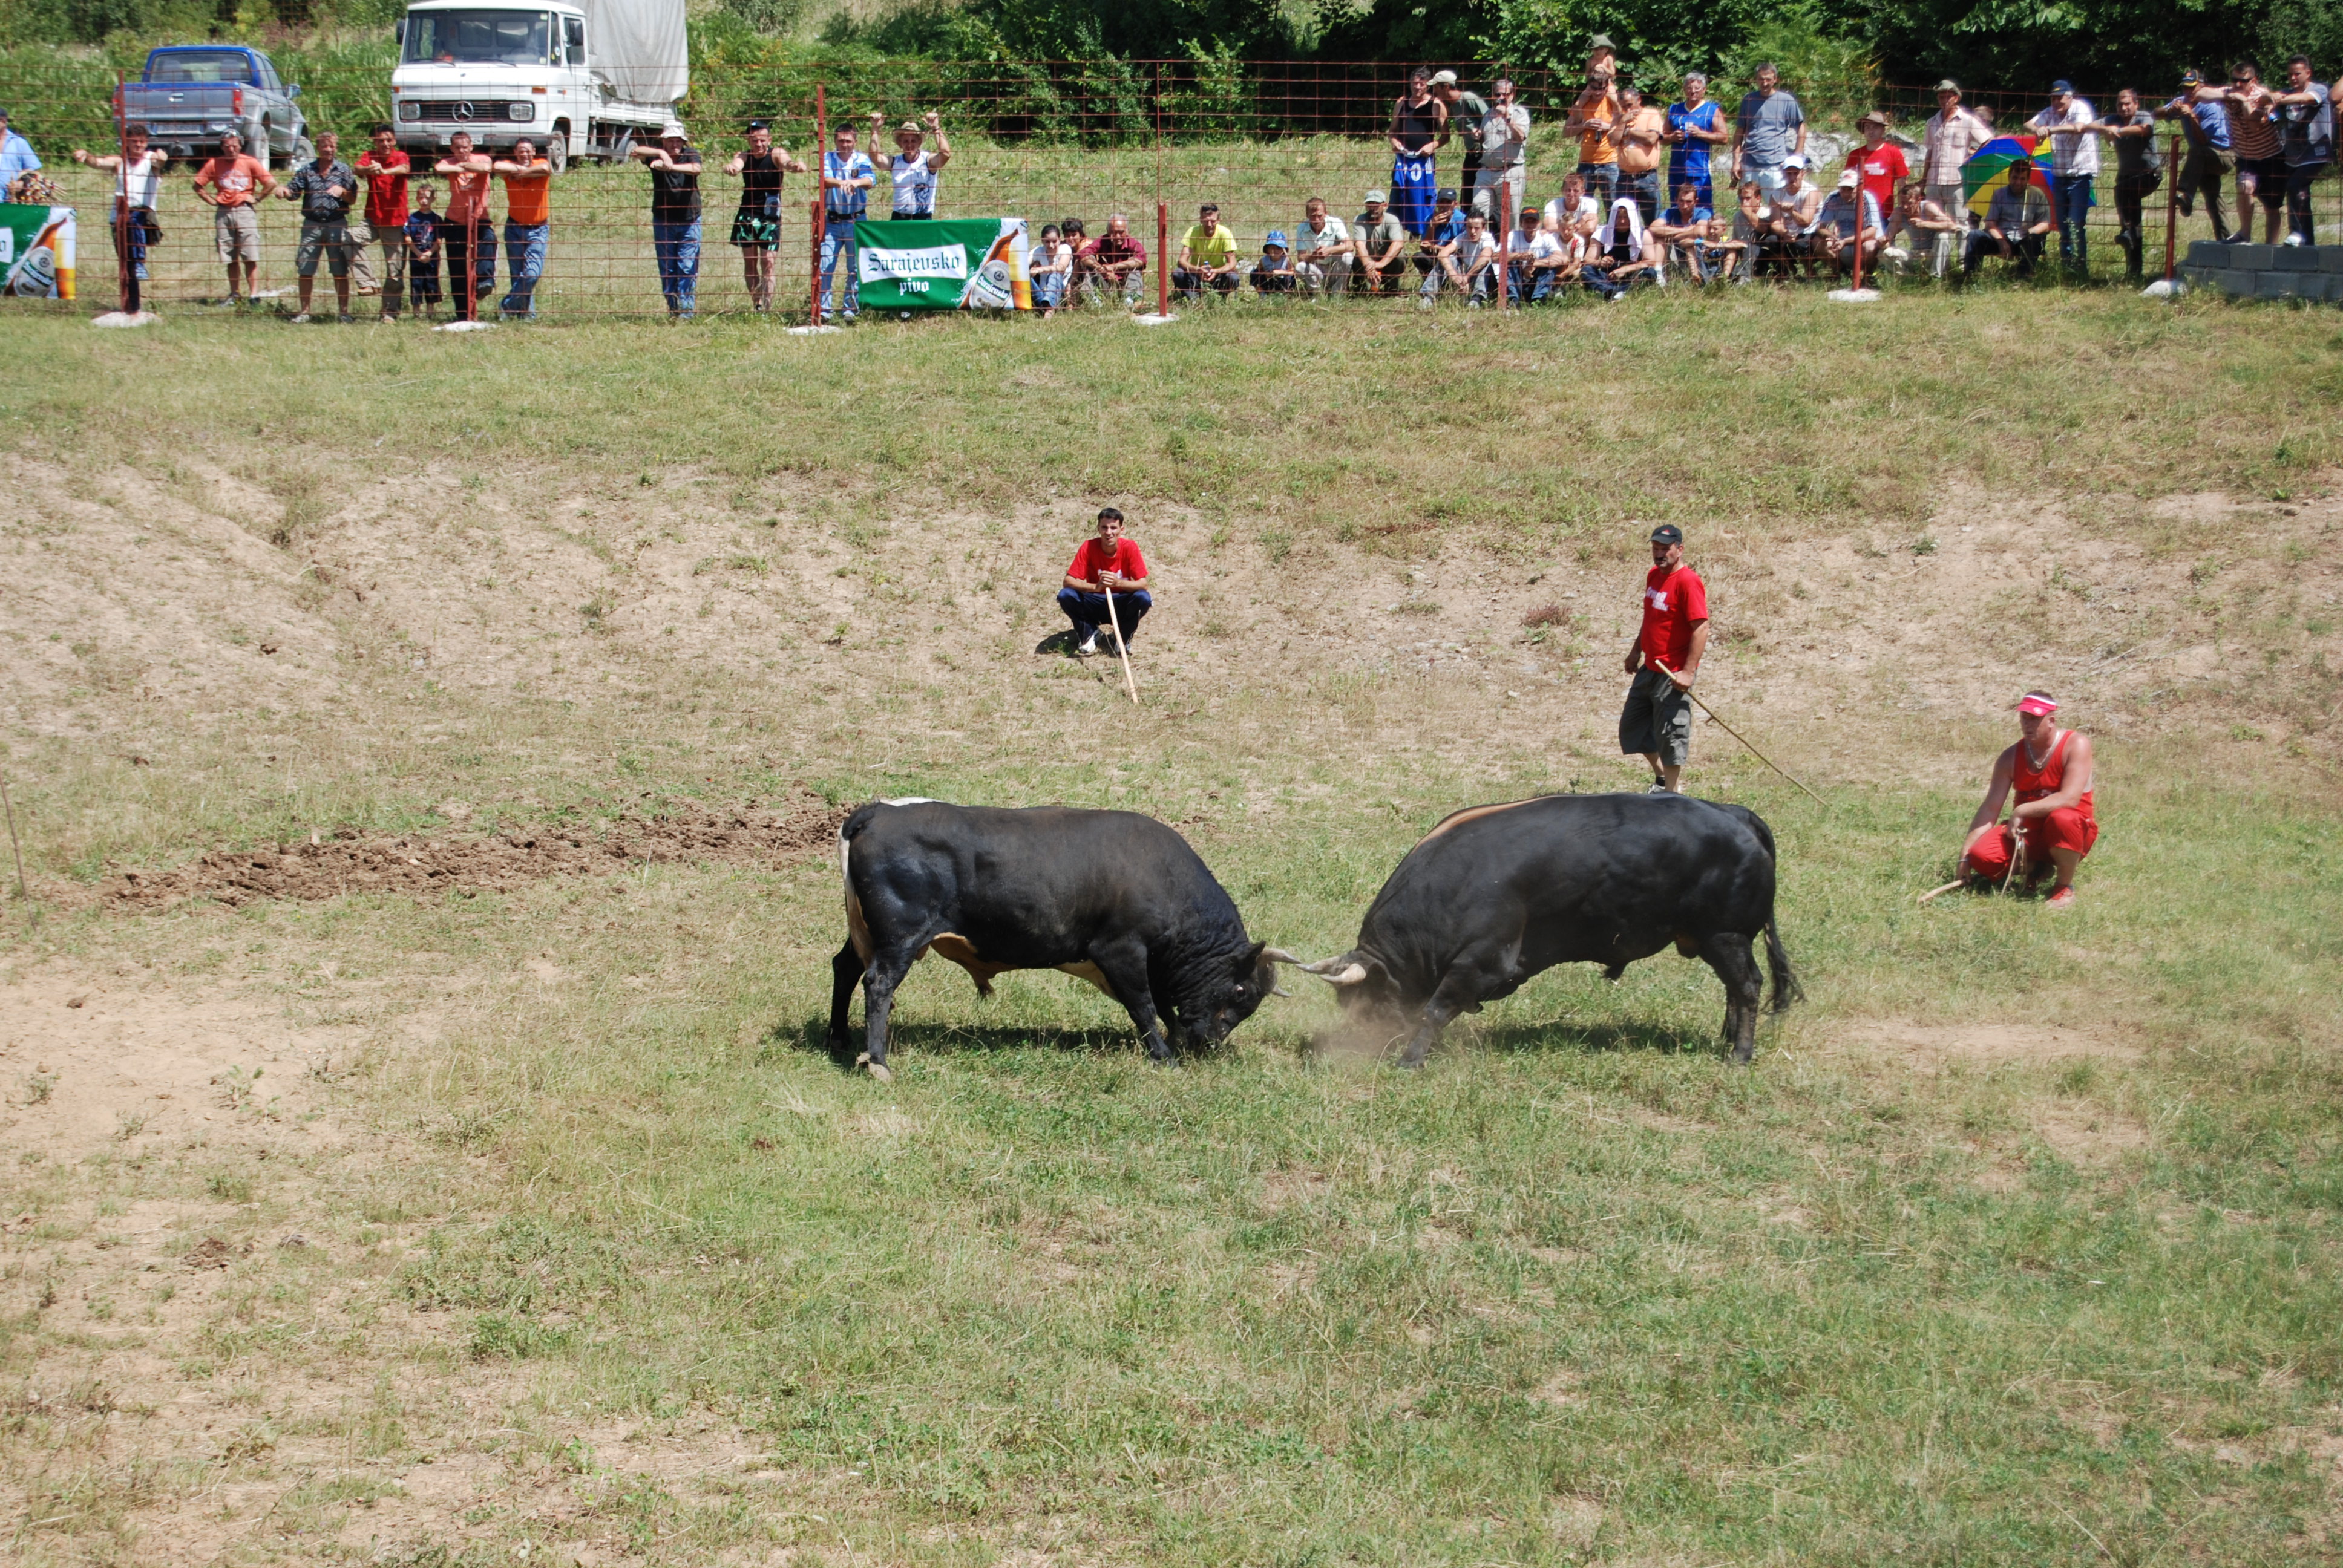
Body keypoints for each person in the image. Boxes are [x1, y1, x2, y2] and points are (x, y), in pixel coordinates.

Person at [1959, 691, 2096, 908]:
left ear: (2051, 721)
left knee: (2063, 819)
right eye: (2024, 718)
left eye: (2035, 719)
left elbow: (2070, 799)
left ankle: (2064, 888)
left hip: (2071, 832)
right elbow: (1990, 808)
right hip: (2028, 835)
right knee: (1982, 857)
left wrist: (2021, 811)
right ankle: (2035, 868)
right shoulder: (2010, 757)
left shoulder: (2076, 745)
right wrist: (1965, 856)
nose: (2027, 724)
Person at [1619, 523, 1706, 792]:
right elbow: (1651, 618)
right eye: (1655, 548)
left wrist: (1688, 672)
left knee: (1671, 735)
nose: (1659, 554)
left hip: (1673, 673)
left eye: (1665, 549)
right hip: (1651, 667)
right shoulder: (1654, 576)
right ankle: (1662, 780)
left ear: (1679, 550)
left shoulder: (1688, 582)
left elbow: (1701, 627)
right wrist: (1636, 651)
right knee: (1633, 728)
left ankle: (1672, 795)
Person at [71, 126, 166, 315]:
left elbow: (161, 161)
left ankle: (140, 263)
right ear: (127, 143)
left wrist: (161, 155)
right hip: (119, 217)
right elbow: (98, 163)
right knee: (126, 263)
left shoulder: (150, 160)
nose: (138, 145)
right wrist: (86, 156)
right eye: (134, 141)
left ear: (146, 143)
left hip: (143, 216)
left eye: (142, 141)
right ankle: (132, 306)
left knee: (133, 236)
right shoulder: (120, 162)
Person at [277, 130, 358, 322]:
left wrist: (343, 192)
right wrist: (284, 191)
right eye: (325, 146)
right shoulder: (307, 170)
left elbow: (353, 199)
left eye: (332, 146)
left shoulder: (344, 170)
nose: (329, 150)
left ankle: (344, 313)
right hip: (311, 225)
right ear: (318, 147)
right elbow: (294, 192)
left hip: (337, 224)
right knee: (306, 268)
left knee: (339, 270)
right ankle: (304, 312)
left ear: (336, 147)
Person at [726, 120, 805, 313]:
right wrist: (731, 168)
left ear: (769, 140)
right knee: (750, 261)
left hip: (770, 217)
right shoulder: (744, 155)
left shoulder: (776, 153)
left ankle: (768, 307)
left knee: (768, 262)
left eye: (762, 140)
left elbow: (787, 163)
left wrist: (795, 166)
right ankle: (757, 305)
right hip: (747, 215)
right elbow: (737, 164)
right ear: (749, 140)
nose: (758, 144)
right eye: (754, 140)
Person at [191, 127, 275, 307]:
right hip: (224, 212)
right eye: (228, 146)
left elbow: (271, 183)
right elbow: (198, 185)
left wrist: (258, 198)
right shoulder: (214, 163)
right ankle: (235, 293)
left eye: (235, 146)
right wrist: (211, 200)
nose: (232, 149)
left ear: (240, 146)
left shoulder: (250, 162)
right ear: (222, 147)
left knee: (250, 254)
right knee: (230, 255)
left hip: (245, 210)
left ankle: (254, 295)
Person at [631, 122, 701, 319]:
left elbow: (696, 169)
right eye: (670, 140)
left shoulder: (691, 154)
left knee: (687, 266)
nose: (675, 144)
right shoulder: (657, 155)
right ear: (664, 141)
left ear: (683, 141)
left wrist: (670, 166)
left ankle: (687, 313)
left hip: (690, 220)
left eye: (678, 140)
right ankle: (673, 309)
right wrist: (662, 155)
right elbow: (635, 151)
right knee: (668, 268)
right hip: (663, 220)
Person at [1058, 507, 1150, 658]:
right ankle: (1089, 632)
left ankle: (1123, 635)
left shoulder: (1130, 547)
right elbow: (1068, 581)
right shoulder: (1088, 547)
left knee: (1143, 598)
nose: (1109, 532)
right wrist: (1096, 587)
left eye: (1113, 528)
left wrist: (1117, 583)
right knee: (1066, 595)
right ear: (1099, 529)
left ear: (1121, 530)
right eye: (1104, 527)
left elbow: (1143, 584)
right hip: (1094, 602)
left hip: (1121, 603)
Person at [2091, 88, 2163, 276]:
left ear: (2136, 104)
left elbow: (2144, 130)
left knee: (2122, 191)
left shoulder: (2143, 116)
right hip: (2128, 179)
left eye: (2127, 104)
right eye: (2120, 104)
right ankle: (2134, 268)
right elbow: (2090, 126)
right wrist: (2105, 130)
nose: (2123, 108)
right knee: (2134, 220)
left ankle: (2127, 231)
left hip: (2149, 174)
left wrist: (2119, 131)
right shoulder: (2112, 119)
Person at [2158, 70, 2233, 243]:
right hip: (2202, 160)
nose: (2188, 92)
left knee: (2197, 152)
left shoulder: (2210, 106)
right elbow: (2156, 114)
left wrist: (2191, 116)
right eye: (2185, 88)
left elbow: (2203, 141)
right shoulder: (2182, 101)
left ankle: (2185, 194)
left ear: (2202, 87)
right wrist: (2168, 109)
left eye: (2192, 88)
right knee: (2214, 202)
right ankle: (2227, 241)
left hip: (2222, 155)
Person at [2028, 82, 2099, 269]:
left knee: (2076, 223)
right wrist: (2038, 130)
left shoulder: (2081, 108)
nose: (2056, 102)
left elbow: (2078, 128)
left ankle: (2080, 265)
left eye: (2060, 98)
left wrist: (2049, 130)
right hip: (2059, 176)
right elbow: (2028, 123)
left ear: (2071, 97)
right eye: (2053, 98)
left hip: (2080, 175)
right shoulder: (2050, 111)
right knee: (2062, 225)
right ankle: (2067, 265)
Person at [1919, 82, 1991, 262]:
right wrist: (1923, 178)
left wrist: (1972, 158)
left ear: (1956, 98)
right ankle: (1936, 262)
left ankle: (1963, 263)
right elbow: (1929, 151)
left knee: (1961, 223)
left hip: (1957, 180)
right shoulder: (1932, 122)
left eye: (1948, 96)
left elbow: (1988, 140)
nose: (1944, 100)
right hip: (1934, 181)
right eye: (1941, 96)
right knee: (1936, 224)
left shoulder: (1967, 120)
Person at [2269, 56, 2334, 244]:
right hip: (2292, 155)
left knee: (2295, 186)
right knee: (2300, 195)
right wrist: (2269, 105)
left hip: (2316, 152)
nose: (2293, 78)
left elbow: (2307, 98)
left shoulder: (2319, 89)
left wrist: (2279, 99)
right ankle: (2308, 243)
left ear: (2308, 73)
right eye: (2290, 74)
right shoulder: (2285, 93)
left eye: (2297, 74)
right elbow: (2271, 111)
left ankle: (2297, 232)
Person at [2218, 63, 2284, 244]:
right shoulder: (2230, 91)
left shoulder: (2260, 96)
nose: (2238, 84)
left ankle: (2270, 246)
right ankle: (2244, 234)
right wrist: (2230, 94)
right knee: (2245, 188)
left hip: (2272, 156)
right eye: (2234, 80)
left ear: (2253, 81)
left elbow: (2254, 124)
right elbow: (2202, 93)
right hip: (2246, 157)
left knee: (2272, 207)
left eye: (2243, 81)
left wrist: (2243, 100)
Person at [816, 121, 874, 322]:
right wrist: (843, 183)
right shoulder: (827, 158)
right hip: (832, 221)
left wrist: (855, 182)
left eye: (849, 141)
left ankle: (850, 309)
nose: (845, 145)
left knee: (855, 267)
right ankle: (824, 310)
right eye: (841, 141)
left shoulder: (862, 159)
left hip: (856, 221)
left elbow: (870, 181)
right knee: (825, 265)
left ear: (855, 141)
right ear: (835, 141)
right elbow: (824, 179)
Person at [434, 131, 494, 321]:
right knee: (457, 267)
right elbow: (439, 168)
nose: (462, 151)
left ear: (471, 146)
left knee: (489, 240)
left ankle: (484, 282)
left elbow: (486, 168)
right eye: (457, 148)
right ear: (452, 148)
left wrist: (463, 165)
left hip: (479, 216)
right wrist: (460, 166)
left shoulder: (481, 158)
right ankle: (462, 314)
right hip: (455, 220)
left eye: (465, 147)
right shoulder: (448, 162)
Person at [352, 124, 411, 320]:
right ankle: (368, 283)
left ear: (394, 141)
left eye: (388, 140)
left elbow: (404, 168)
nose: (385, 144)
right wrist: (369, 168)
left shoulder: (401, 156)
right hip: (373, 219)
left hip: (395, 221)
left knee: (395, 272)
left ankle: (389, 312)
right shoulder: (369, 156)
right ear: (374, 142)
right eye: (380, 140)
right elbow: (357, 169)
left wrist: (384, 172)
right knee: (348, 239)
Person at [1962, 158, 2053, 279]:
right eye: (2015, 178)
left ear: (2028, 180)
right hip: (2001, 238)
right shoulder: (1999, 194)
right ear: (2009, 177)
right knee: (1974, 235)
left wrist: (2031, 231)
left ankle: (2023, 277)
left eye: (2022, 179)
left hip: (2025, 239)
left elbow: (2045, 224)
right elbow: (1990, 223)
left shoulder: (2037, 194)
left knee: (2034, 240)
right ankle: (1970, 276)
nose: (2018, 182)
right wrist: (2001, 241)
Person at [492, 138, 552, 319]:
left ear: (533, 152)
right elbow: (496, 167)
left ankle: (507, 305)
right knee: (517, 274)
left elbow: (546, 169)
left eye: (527, 151)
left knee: (532, 274)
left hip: (538, 228)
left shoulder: (540, 163)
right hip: (514, 226)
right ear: (515, 153)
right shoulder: (509, 166)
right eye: (520, 151)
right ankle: (526, 315)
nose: (524, 154)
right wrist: (521, 170)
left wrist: (523, 173)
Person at [1733, 63, 1806, 200]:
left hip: (1774, 165)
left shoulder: (1786, 100)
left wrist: (1797, 155)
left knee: (1775, 207)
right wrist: (1736, 161)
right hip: (1749, 163)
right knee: (1747, 205)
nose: (1764, 83)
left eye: (1768, 79)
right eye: (1761, 79)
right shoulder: (1748, 100)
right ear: (1756, 79)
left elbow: (1801, 128)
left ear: (1776, 80)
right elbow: (1739, 133)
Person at [1388, 68, 1447, 237]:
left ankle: (1422, 233)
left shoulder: (1436, 105)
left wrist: (1433, 146)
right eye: (1414, 83)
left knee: (1423, 197)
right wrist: (1394, 141)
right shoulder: (1402, 103)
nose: (1418, 87)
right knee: (1398, 194)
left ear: (1428, 85)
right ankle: (1395, 234)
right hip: (1403, 159)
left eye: (1422, 84)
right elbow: (1392, 131)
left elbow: (1446, 136)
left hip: (1424, 161)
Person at [1665, 73, 1729, 211]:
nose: (1693, 91)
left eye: (1697, 88)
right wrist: (1673, 137)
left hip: (1699, 170)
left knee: (1702, 209)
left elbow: (1724, 138)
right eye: (1689, 88)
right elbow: (1662, 138)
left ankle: (1700, 232)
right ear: (1684, 89)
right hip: (1677, 170)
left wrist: (1701, 134)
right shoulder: (1674, 109)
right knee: (1678, 208)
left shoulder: (1712, 110)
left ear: (1704, 90)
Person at [873, 109, 951, 220]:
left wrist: (935, 128)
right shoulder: (895, 162)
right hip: (899, 218)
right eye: (906, 141)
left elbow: (946, 154)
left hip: (922, 219)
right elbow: (875, 157)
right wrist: (875, 129)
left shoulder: (928, 161)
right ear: (900, 144)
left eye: (913, 141)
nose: (910, 145)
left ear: (919, 142)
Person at [1429, 71, 1490, 210]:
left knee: (1482, 196)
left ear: (1446, 87)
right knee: (1467, 196)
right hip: (1471, 154)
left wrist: (1481, 132)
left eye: (1436, 87)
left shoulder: (1468, 98)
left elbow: (1490, 118)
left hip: (1484, 156)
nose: (1434, 91)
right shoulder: (1453, 106)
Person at [1473, 77, 1530, 224]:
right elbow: (1486, 140)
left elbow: (1521, 136)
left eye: (1505, 94)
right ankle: (1483, 245)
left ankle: (1510, 247)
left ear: (1512, 94)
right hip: (1486, 173)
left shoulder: (1520, 113)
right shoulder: (1488, 115)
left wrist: (1508, 118)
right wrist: (1478, 136)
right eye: (1497, 95)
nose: (1501, 98)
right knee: (1477, 214)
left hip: (1509, 172)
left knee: (1511, 219)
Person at [1564, 63, 1620, 209]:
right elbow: (1566, 132)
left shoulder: (1612, 103)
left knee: (1613, 206)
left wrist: (1607, 127)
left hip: (1610, 163)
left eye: (1602, 89)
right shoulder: (1582, 105)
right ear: (1589, 87)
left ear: (1607, 87)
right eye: (1595, 88)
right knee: (1582, 205)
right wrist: (1585, 125)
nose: (1598, 93)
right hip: (1586, 163)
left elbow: (1625, 126)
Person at [1809, 169, 1884, 276]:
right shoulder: (1834, 198)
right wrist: (1831, 236)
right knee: (1817, 242)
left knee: (1870, 246)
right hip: (1841, 244)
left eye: (1850, 189)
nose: (1846, 193)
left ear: (1859, 188)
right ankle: (1841, 272)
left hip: (1863, 245)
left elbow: (1872, 232)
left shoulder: (1867, 199)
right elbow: (1821, 227)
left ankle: (1868, 276)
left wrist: (1845, 241)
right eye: (1843, 189)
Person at [1613, 84, 1667, 224]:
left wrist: (1628, 132)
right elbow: (1613, 141)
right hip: (1625, 177)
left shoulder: (1652, 115)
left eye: (1630, 105)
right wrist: (1623, 122)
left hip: (1647, 177)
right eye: (1624, 107)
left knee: (1653, 222)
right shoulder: (1619, 119)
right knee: (1623, 223)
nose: (1628, 110)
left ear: (1639, 100)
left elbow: (1651, 139)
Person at [1883, 181, 1962, 275]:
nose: (1905, 207)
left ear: (1919, 200)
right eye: (1902, 203)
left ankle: (1936, 276)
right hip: (1915, 255)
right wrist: (1883, 242)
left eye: (1909, 203)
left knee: (1944, 236)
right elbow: (1888, 238)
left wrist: (1925, 224)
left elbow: (1952, 226)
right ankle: (1908, 278)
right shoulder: (1899, 213)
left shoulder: (1928, 207)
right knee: (1887, 253)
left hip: (1933, 254)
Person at [1420, 209, 1497, 304]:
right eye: (1470, 227)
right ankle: (1428, 297)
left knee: (1486, 262)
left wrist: (1467, 277)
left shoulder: (1487, 238)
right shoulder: (1463, 236)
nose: (1473, 232)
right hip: (1464, 275)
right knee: (1450, 258)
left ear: (1483, 228)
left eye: (1476, 228)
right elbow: (1442, 254)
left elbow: (1485, 257)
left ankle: (1477, 299)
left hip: (1484, 279)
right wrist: (1454, 275)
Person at [1648, 180, 1720, 283]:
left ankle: (1696, 278)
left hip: (1699, 254)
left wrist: (1672, 235)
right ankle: (1659, 275)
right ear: (1676, 200)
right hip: (1677, 251)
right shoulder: (1670, 212)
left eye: (1689, 202)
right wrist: (1686, 229)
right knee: (1659, 238)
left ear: (1696, 201)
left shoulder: (1703, 213)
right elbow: (1653, 228)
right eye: (1681, 201)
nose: (1685, 206)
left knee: (1686, 241)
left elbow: (1700, 232)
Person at [1175, 202, 1242, 299]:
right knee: (1178, 273)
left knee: (1233, 277)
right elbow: (1182, 261)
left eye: (1213, 221)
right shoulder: (1193, 232)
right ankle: (1193, 299)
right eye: (1206, 221)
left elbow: (1232, 263)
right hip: (1197, 274)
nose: (1209, 225)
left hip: (1218, 276)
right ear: (1201, 220)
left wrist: (1216, 271)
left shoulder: (1225, 233)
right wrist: (1198, 270)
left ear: (1219, 220)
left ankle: (1219, 298)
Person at [1849, 111, 1907, 221]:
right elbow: (1846, 184)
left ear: (1883, 130)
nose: (1871, 131)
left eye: (1875, 127)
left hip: (1884, 212)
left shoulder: (1894, 153)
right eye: (1867, 127)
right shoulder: (1855, 155)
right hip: (1857, 211)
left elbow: (1902, 185)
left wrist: (1902, 210)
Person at [1079, 212, 1147, 306]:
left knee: (1136, 268)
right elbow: (1083, 254)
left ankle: (1131, 299)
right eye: (1114, 232)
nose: (1117, 236)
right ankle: (1094, 300)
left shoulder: (1133, 243)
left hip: (1125, 284)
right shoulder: (1103, 240)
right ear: (1108, 231)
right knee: (1090, 265)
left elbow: (1142, 259)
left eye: (1121, 232)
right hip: (1105, 284)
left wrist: (1114, 267)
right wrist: (1101, 269)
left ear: (1128, 231)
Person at [1507, 200, 1570, 301]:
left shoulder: (1546, 237)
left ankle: (1538, 299)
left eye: (1534, 222)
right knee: (1509, 262)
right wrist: (1521, 256)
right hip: (1518, 277)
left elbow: (1560, 259)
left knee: (1549, 263)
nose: (1530, 225)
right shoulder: (1513, 236)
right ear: (1521, 223)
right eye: (1527, 221)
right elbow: (1496, 257)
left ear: (1539, 224)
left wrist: (1534, 264)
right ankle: (1513, 300)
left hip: (1536, 277)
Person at [1352, 191, 1407, 295]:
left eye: (1377, 205)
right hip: (1369, 261)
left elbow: (1398, 244)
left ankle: (1392, 289)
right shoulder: (1360, 220)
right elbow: (1360, 245)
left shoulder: (1392, 220)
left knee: (1400, 258)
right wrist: (1370, 267)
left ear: (1385, 205)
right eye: (1369, 204)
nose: (1373, 208)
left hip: (1387, 262)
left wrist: (1381, 264)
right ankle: (1361, 289)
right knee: (1356, 260)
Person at [1294, 197, 1352, 294]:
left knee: (1348, 257)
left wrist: (1330, 250)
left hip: (1335, 267)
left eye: (1320, 216)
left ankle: (1338, 292)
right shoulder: (1302, 228)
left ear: (1326, 213)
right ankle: (1318, 292)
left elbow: (1350, 246)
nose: (1317, 220)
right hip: (1317, 268)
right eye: (1313, 216)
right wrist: (1314, 256)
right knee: (1300, 267)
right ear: (1307, 215)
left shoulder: (1336, 223)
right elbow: (1301, 257)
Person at [404, 183, 444, 319]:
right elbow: (408, 239)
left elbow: (439, 241)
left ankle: (430, 313)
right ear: (416, 198)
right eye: (421, 197)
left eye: (427, 197)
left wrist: (429, 253)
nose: (424, 201)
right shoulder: (411, 218)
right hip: (416, 259)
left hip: (432, 259)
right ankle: (416, 314)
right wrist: (418, 253)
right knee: (416, 284)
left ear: (433, 199)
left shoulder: (437, 219)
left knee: (431, 284)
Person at [1029, 223, 1070, 315]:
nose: (1051, 245)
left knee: (1055, 274)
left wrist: (1041, 269)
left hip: (1059, 295)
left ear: (1060, 240)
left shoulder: (1065, 249)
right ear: (1042, 241)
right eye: (1047, 242)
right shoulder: (1038, 251)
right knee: (1025, 276)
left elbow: (1061, 267)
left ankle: (1050, 310)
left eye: (1054, 241)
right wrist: (1031, 268)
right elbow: (1022, 265)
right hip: (1040, 295)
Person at [1544, 170, 1600, 234]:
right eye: (1568, 190)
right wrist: (1579, 225)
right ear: (1562, 190)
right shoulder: (1553, 205)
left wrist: (1564, 230)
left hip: (1581, 240)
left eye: (1576, 191)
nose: (1571, 194)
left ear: (1583, 192)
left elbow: (1590, 228)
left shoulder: (1590, 203)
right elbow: (1549, 226)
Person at [0, 109, 39, 189]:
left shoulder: (19, 143)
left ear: (3, 121)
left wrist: (22, 183)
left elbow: (32, 169)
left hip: (11, 198)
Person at [1252, 229, 1297, 295]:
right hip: (1269, 283)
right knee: (1254, 273)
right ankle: (1262, 294)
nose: (1275, 251)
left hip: (1283, 282)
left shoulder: (1286, 260)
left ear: (1283, 250)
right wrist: (1266, 273)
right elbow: (1258, 271)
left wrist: (1281, 272)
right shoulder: (1264, 260)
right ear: (1267, 249)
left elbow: (1293, 272)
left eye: (1278, 248)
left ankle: (1287, 294)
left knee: (1291, 279)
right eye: (1272, 248)